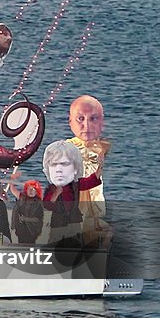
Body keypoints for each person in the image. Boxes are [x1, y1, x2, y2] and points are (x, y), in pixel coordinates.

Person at [67, 94, 111, 244]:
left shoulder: (102, 146)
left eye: (93, 119)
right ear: (70, 122)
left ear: (102, 122)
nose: (87, 126)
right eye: (80, 119)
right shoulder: (67, 147)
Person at [42, 140, 103, 246]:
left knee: (75, 246)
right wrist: (56, 193)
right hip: (57, 224)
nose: (59, 170)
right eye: (53, 164)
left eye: (64, 164)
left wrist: (100, 166)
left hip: (74, 222)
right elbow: (47, 204)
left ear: (75, 168)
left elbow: (92, 181)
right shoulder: (51, 188)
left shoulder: (76, 185)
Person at [9, 179, 44, 244]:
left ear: (36, 191)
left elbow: (38, 219)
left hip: (32, 230)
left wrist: (25, 219)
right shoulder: (22, 198)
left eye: (33, 189)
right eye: (29, 189)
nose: (31, 191)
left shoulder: (38, 203)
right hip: (20, 230)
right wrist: (13, 178)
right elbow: (12, 189)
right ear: (26, 190)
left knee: (30, 248)